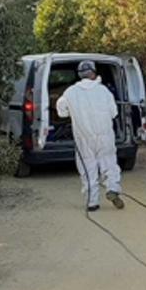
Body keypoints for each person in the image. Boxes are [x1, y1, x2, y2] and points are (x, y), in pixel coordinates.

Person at [56, 60, 125, 212]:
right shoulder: (104, 91)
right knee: (109, 164)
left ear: (80, 75)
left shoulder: (70, 92)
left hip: (84, 137)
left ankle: (92, 202)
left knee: (88, 168)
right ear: (93, 73)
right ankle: (112, 188)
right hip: (105, 136)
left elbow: (61, 112)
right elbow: (114, 113)